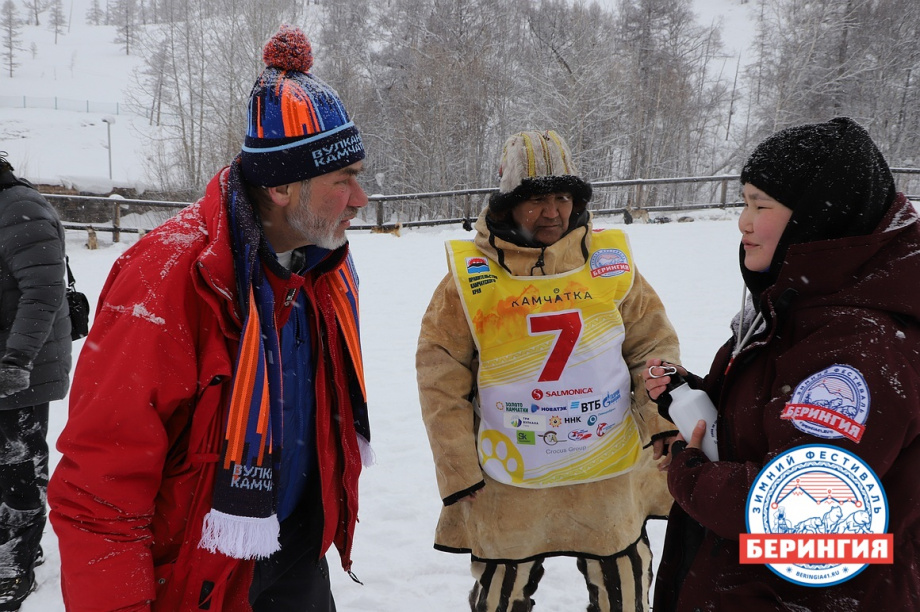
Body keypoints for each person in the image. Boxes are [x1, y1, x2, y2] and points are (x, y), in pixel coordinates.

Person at [48, 25, 372, 612]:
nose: (360, 198)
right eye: (342, 180)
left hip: (298, 548)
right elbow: (101, 480)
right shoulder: (169, 277)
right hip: (203, 573)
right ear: (279, 186)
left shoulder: (324, 269)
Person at [644, 116, 920, 611]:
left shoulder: (857, 346)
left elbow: (795, 511)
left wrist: (689, 472)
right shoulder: (804, 301)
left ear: (816, 217)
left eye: (760, 205)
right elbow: (777, 411)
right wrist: (694, 394)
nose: (743, 221)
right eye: (744, 202)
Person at [417, 130, 680, 612]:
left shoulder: (611, 264)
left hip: (607, 466)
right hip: (509, 474)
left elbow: (652, 346)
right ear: (509, 206)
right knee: (500, 593)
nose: (553, 212)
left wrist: (662, 417)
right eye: (537, 200)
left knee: (624, 586)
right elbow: (441, 377)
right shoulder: (469, 278)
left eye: (562, 198)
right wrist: (456, 466)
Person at [0, 153, 72, 612]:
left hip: (20, 369)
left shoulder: (19, 208)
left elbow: (43, 290)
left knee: (17, 467)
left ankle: (15, 564)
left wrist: (16, 359)